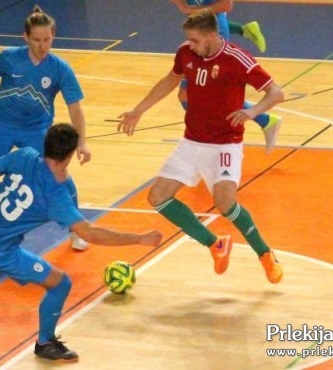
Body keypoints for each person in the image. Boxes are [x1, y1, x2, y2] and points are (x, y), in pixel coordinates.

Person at [0, 124, 163, 362]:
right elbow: (90, 234)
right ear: (69, 155)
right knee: (60, 284)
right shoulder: (57, 196)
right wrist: (139, 238)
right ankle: (45, 343)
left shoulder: (24, 155)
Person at [118, 10, 283, 284]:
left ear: (211, 35)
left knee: (225, 203)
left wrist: (254, 113)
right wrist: (138, 110)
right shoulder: (186, 52)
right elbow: (170, 81)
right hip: (192, 141)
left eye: (195, 40)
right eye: (189, 40)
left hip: (225, 145)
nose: (190, 45)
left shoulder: (236, 58)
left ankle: (265, 254)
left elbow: (276, 92)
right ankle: (215, 244)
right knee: (157, 197)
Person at [0, 5, 91, 251]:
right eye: (37, 40)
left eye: (47, 39)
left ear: (53, 35)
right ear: (25, 37)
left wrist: (81, 142)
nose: (43, 45)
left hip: (36, 130)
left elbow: (75, 108)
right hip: (0, 125)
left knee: (58, 175)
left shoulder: (60, 69)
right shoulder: (9, 57)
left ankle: (76, 230)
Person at [169, 0, 282, 154]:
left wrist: (194, 10)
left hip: (212, 35)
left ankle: (214, 135)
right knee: (186, 94)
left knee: (207, 94)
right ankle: (265, 121)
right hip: (201, 31)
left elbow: (226, 5)